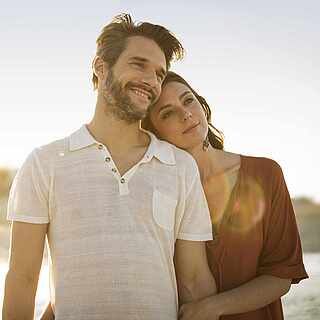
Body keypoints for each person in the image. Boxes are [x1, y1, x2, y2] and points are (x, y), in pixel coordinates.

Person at [2, 15, 217, 320]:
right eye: (139, 64)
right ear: (101, 67)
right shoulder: (44, 163)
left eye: (159, 73)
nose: (151, 80)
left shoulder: (180, 167)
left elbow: (195, 279)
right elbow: (23, 278)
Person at [142, 71, 308, 320]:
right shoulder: (155, 192)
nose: (185, 114)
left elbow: (281, 275)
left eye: (188, 101)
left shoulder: (265, 174)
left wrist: (212, 307)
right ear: (154, 132)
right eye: (167, 113)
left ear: (202, 105)